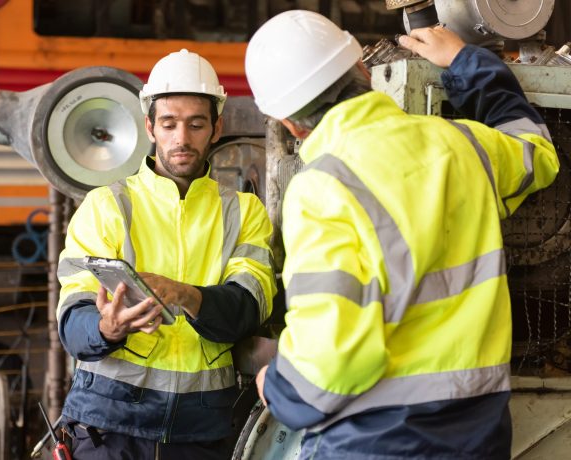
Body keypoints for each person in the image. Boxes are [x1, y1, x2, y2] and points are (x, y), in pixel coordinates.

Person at [244, 10, 559, 460]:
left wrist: (278, 387)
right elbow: (538, 154)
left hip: (376, 444)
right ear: (362, 70)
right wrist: (469, 62)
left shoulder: (322, 188)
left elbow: (332, 368)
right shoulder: (463, 146)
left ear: (290, 123)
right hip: (480, 435)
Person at [55, 49, 277, 460]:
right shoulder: (106, 206)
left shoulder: (244, 213)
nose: (181, 138)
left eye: (195, 124)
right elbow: (72, 320)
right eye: (169, 124)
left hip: (201, 429)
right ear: (149, 127)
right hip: (109, 421)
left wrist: (186, 294)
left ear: (216, 128)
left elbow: (248, 307)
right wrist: (107, 327)